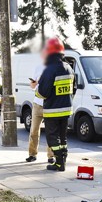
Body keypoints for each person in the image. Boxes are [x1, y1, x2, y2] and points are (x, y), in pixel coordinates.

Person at [36, 37, 74, 172]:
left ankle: (58, 163)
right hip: (66, 110)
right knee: (63, 137)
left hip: (53, 110)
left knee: (52, 137)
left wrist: (37, 90)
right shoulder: (68, 68)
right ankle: (63, 160)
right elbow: (73, 89)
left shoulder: (49, 69)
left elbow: (43, 93)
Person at [25, 47, 54, 164]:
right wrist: (34, 84)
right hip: (37, 104)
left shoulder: (54, 69)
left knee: (50, 131)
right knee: (34, 131)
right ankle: (32, 154)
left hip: (49, 104)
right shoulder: (39, 67)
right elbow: (33, 86)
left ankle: (51, 156)